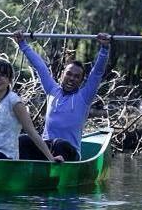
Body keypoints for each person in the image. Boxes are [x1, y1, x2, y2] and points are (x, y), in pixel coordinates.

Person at [13, 31, 111, 160]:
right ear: (62, 75)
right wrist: (22, 43)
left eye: (77, 77)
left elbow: (97, 72)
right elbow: (40, 67)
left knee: (60, 144)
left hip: (69, 152)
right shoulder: (52, 90)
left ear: (81, 81)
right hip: (47, 149)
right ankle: (25, 171)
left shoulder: (84, 97)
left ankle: (58, 171)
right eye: (69, 74)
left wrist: (105, 48)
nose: (72, 78)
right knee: (23, 140)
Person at [0, 59, 63, 162]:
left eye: (3, 75)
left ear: (9, 80)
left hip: (3, 152)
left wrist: (51, 158)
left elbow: (32, 132)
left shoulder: (14, 102)